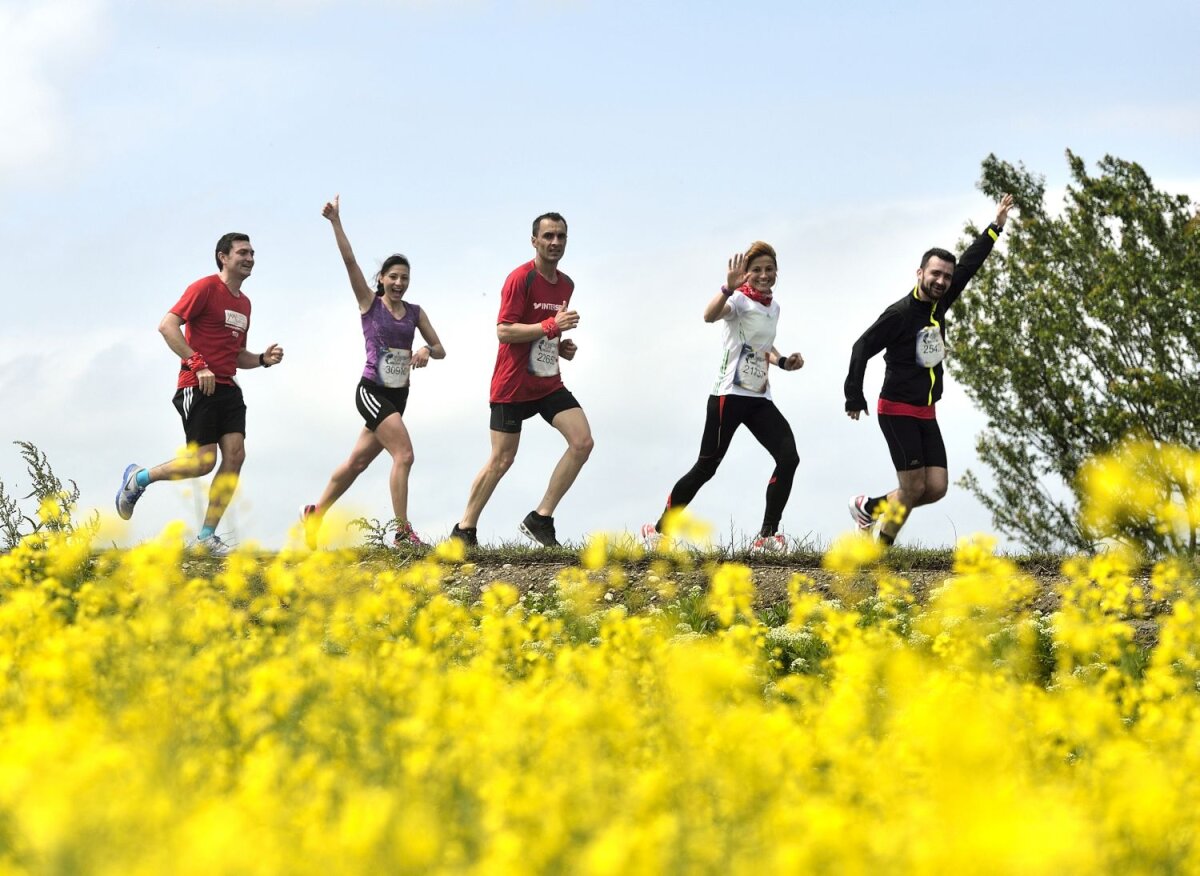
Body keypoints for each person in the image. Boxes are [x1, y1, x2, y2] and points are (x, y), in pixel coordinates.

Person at [844, 194, 1014, 545]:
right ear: (920, 273)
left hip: (925, 411)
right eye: (935, 273)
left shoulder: (941, 303)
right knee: (912, 488)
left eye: (946, 277)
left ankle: (871, 507)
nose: (941, 280)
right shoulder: (900, 314)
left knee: (935, 488)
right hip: (897, 410)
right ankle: (879, 555)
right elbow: (861, 347)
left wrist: (995, 227)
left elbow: (970, 264)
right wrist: (853, 394)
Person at [115, 233, 284, 556]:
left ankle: (206, 536)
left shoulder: (244, 304)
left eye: (252, 253)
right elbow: (167, 326)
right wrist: (197, 363)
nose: (249, 258)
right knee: (203, 463)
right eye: (242, 252)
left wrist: (262, 359)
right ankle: (139, 478)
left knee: (235, 455)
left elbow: (237, 356)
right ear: (223, 257)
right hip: (197, 385)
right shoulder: (204, 288)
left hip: (228, 387)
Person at [300, 195, 446, 549]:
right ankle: (402, 532)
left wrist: (426, 350)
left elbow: (441, 349)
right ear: (381, 279)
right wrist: (336, 221)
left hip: (399, 395)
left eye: (404, 278)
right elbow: (349, 260)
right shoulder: (370, 304)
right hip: (371, 391)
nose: (399, 283)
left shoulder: (415, 312)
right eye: (393, 276)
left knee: (357, 463)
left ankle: (315, 513)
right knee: (405, 455)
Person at [641, 242, 804, 553]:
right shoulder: (739, 301)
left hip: (758, 397)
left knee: (788, 458)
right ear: (745, 274)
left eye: (769, 269)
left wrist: (784, 362)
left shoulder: (774, 307)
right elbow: (708, 315)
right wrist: (727, 289)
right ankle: (659, 530)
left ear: (776, 273)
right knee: (707, 467)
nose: (763, 275)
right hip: (728, 395)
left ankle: (767, 536)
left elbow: (763, 346)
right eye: (756, 270)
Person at [451, 212, 592, 548]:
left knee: (582, 442)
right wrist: (551, 328)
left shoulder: (567, 284)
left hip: (547, 384)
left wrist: (560, 347)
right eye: (548, 236)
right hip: (512, 386)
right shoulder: (520, 279)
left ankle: (541, 519)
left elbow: (545, 330)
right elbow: (505, 331)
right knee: (502, 459)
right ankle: (464, 531)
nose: (555, 242)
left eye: (561, 237)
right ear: (534, 241)